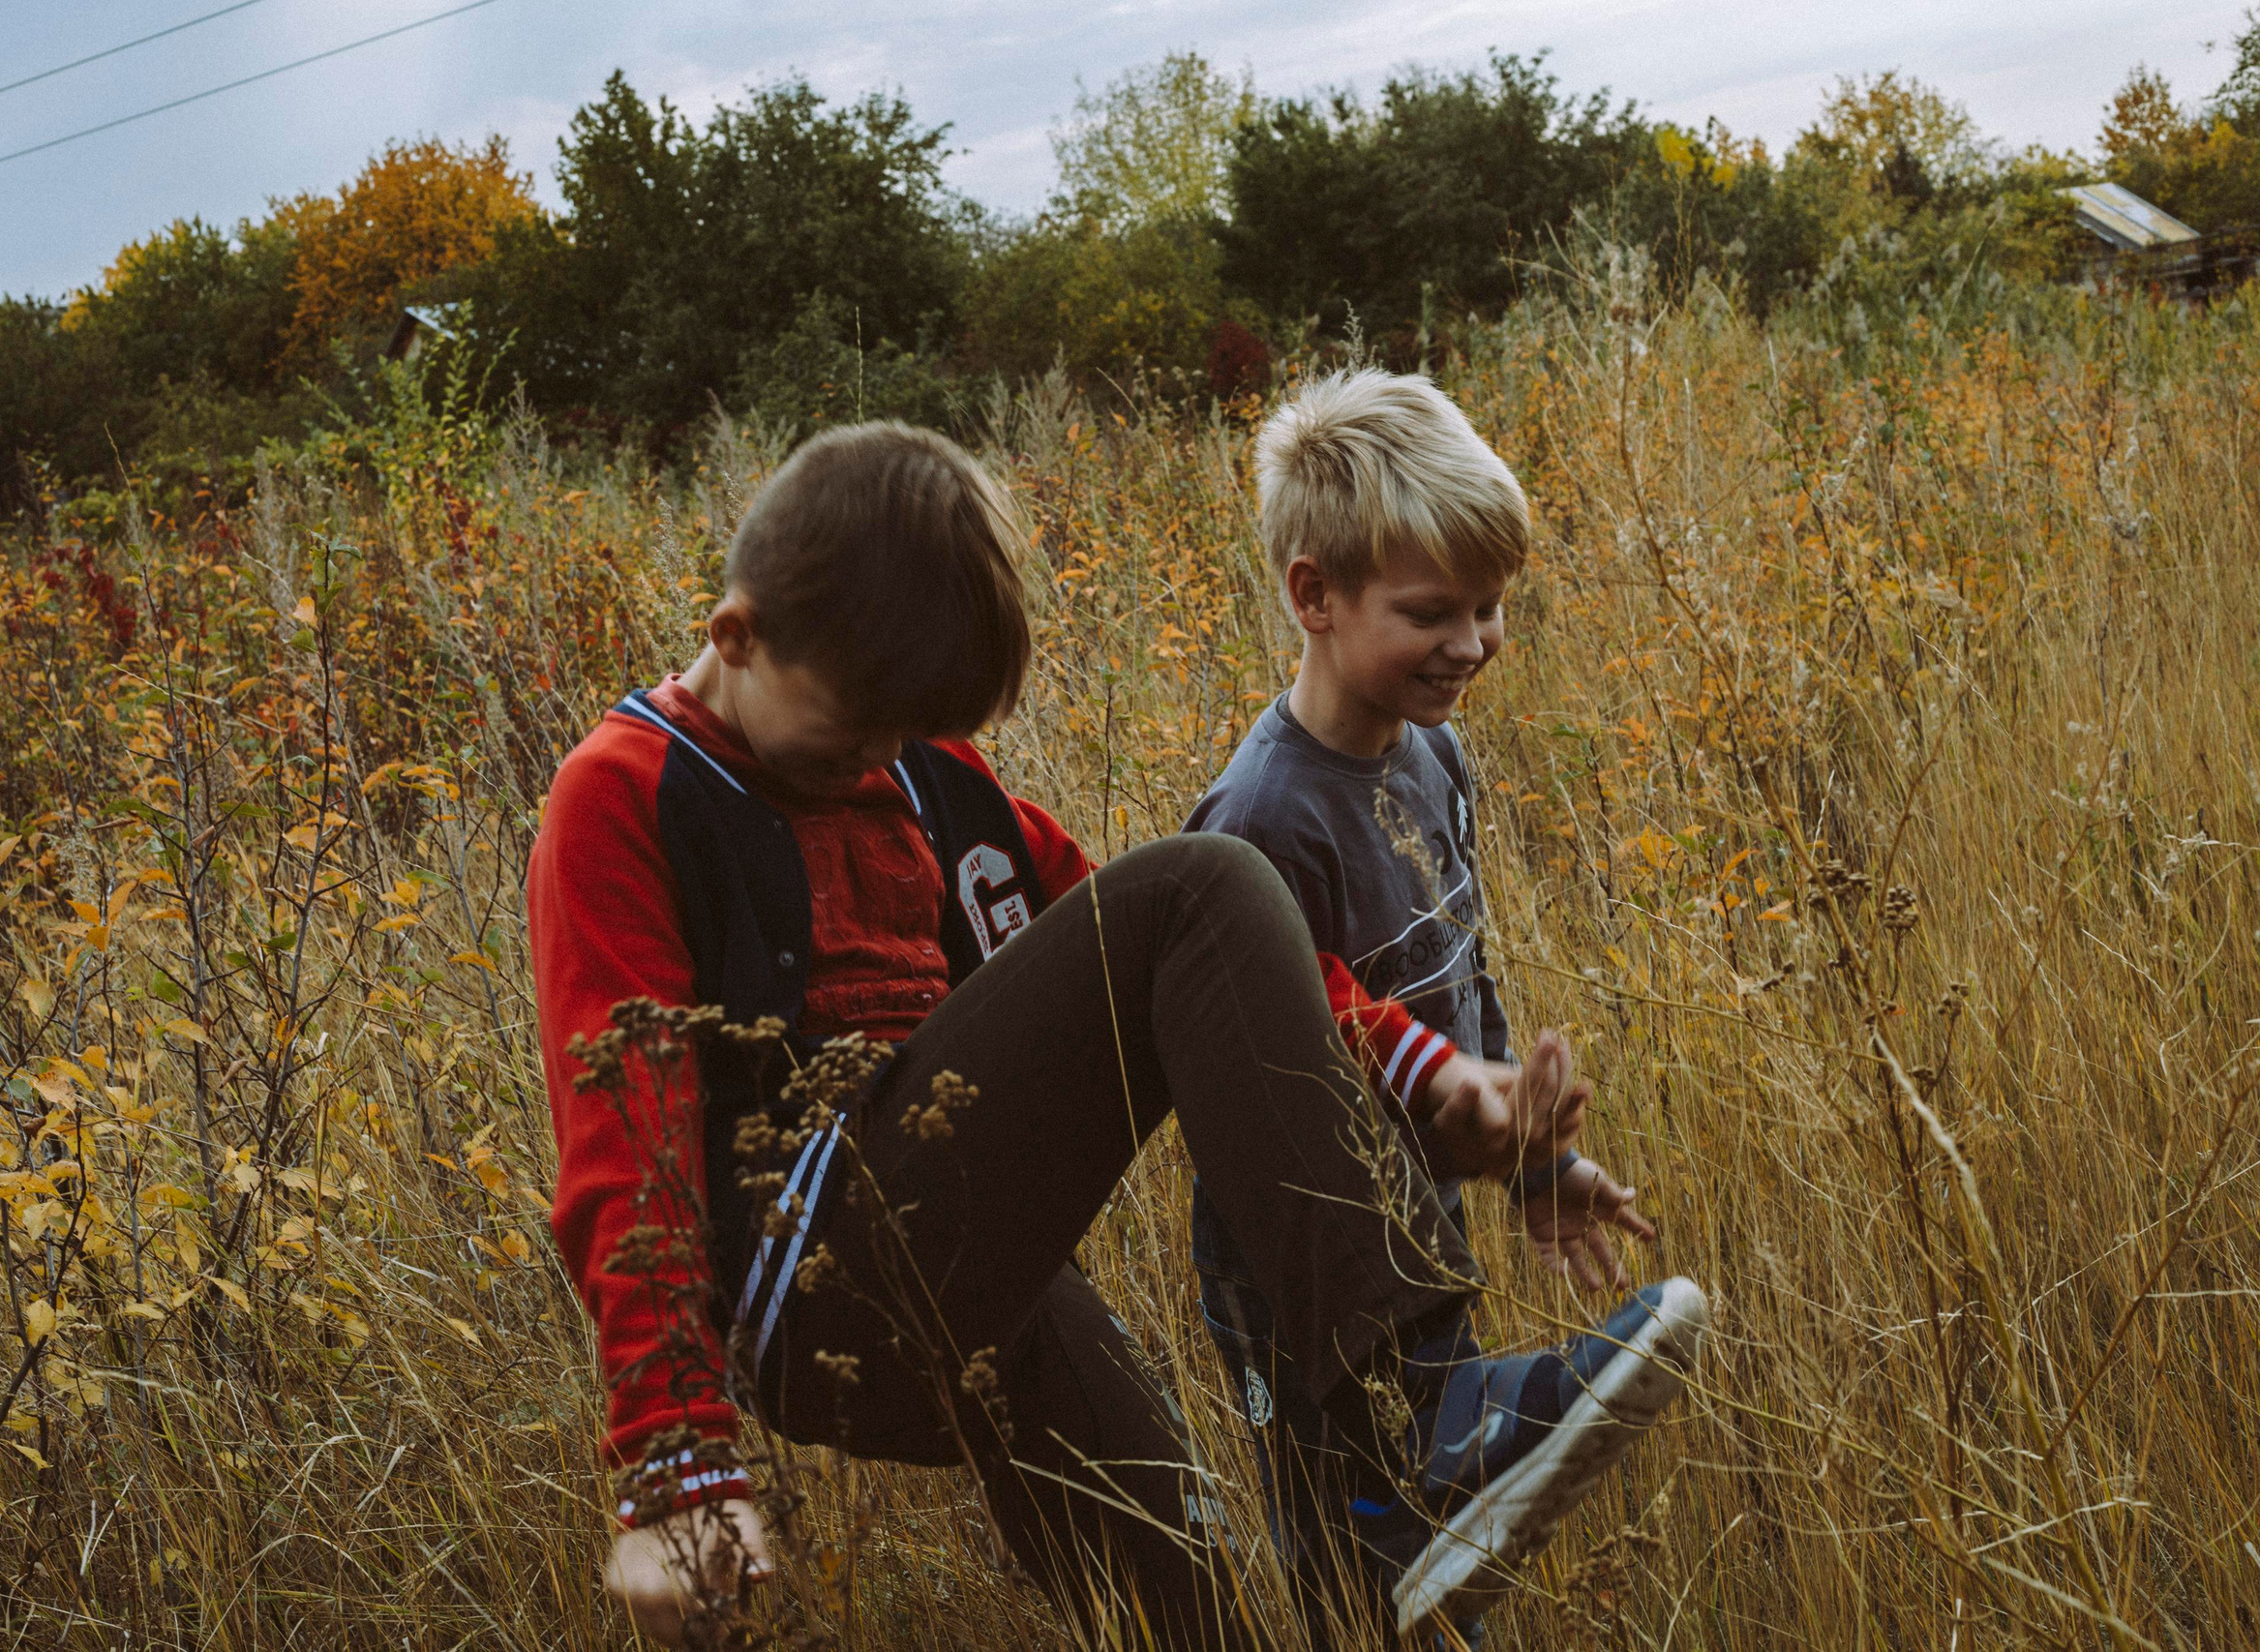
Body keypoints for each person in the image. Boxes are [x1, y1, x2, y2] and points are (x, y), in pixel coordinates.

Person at [527, 419, 1705, 1650]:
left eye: (906, 736)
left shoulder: (927, 777)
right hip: (809, 1279)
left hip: (982, 1272)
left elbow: (1189, 971)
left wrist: (1431, 1073)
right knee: (1201, 879)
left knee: (1195, 1602)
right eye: (849, 736)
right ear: (736, 638)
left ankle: (1400, 1499)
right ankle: (1411, 1409)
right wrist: (674, 1469)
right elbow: (626, 1144)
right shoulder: (627, 792)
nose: (874, 766)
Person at [1182, 365, 1678, 1644]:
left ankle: (1455, 1441)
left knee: (1427, 1560)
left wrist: (1535, 1153)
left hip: (1420, 1233)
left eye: (1491, 607)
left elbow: (1466, 964)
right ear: (1315, 595)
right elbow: (1261, 1046)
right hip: (1297, 1264)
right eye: (1430, 611)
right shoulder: (1260, 814)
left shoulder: (1433, 752)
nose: (1470, 643)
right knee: (1347, 1550)